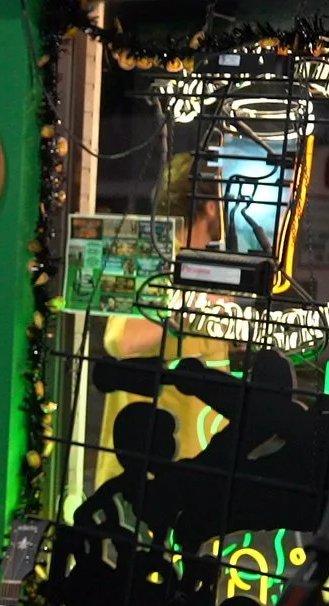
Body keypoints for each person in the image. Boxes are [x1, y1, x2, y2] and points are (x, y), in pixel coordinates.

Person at [92, 152, 233, 489]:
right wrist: (190, 304)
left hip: (194, 473)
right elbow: (120, 341)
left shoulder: (202, 268)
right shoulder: (154, 258)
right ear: (210, 205)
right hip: (145, 482)